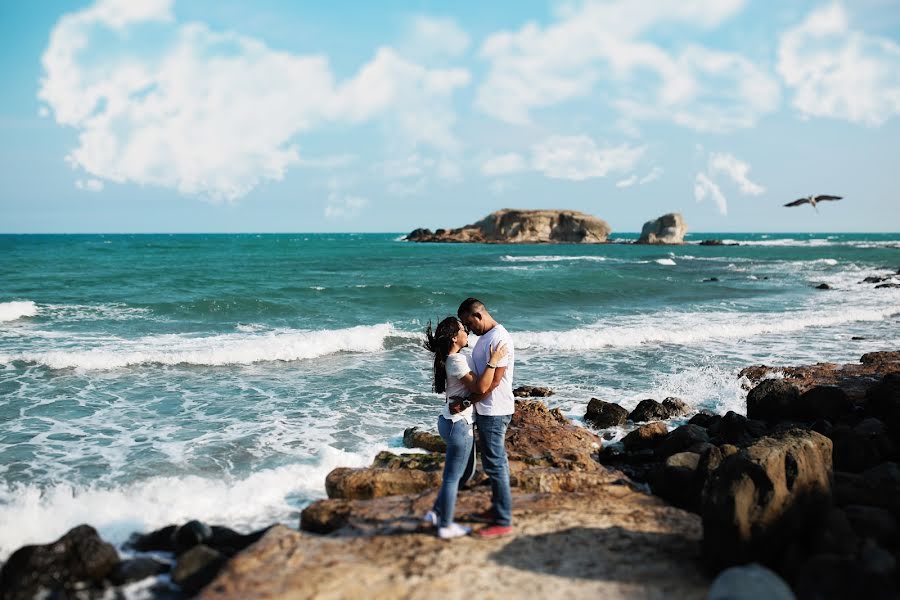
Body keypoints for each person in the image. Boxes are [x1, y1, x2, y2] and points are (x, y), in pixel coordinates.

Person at [422, 316, 507, 539]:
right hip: (458, 425)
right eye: (462, 330)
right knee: (453, 477)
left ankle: (436, 513)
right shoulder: (456, 360)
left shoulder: (454, 358)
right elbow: (481, 385)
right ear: (454, 337)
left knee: (465, 474)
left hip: (453, 421)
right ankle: (445, 525)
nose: (466, 332)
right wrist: (494, 360)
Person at [457, 297, 515, 538]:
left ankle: (502, 520)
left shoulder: (500, 339)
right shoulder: (485, 338)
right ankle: (496, 511)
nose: (468, 329)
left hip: (495, 410)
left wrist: (467, 402)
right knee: (492, 464)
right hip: (487, 409)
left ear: (478, 315)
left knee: (496, 464)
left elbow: (492, 383)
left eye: (468, 323)